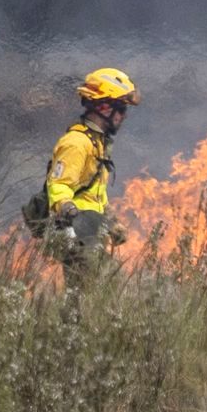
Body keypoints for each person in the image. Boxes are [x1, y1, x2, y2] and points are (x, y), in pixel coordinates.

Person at [44, 67, 139, 285]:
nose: (123, 116)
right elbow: (58, 185)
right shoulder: (77, 143)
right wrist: (66, 207)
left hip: (90, 231)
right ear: (104, 107)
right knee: (111, 287)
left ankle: (73, 320)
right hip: (75, 232)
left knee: (86, 297)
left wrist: (111, 222)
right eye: (121, 108)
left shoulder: (98, 144)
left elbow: (94, 194)